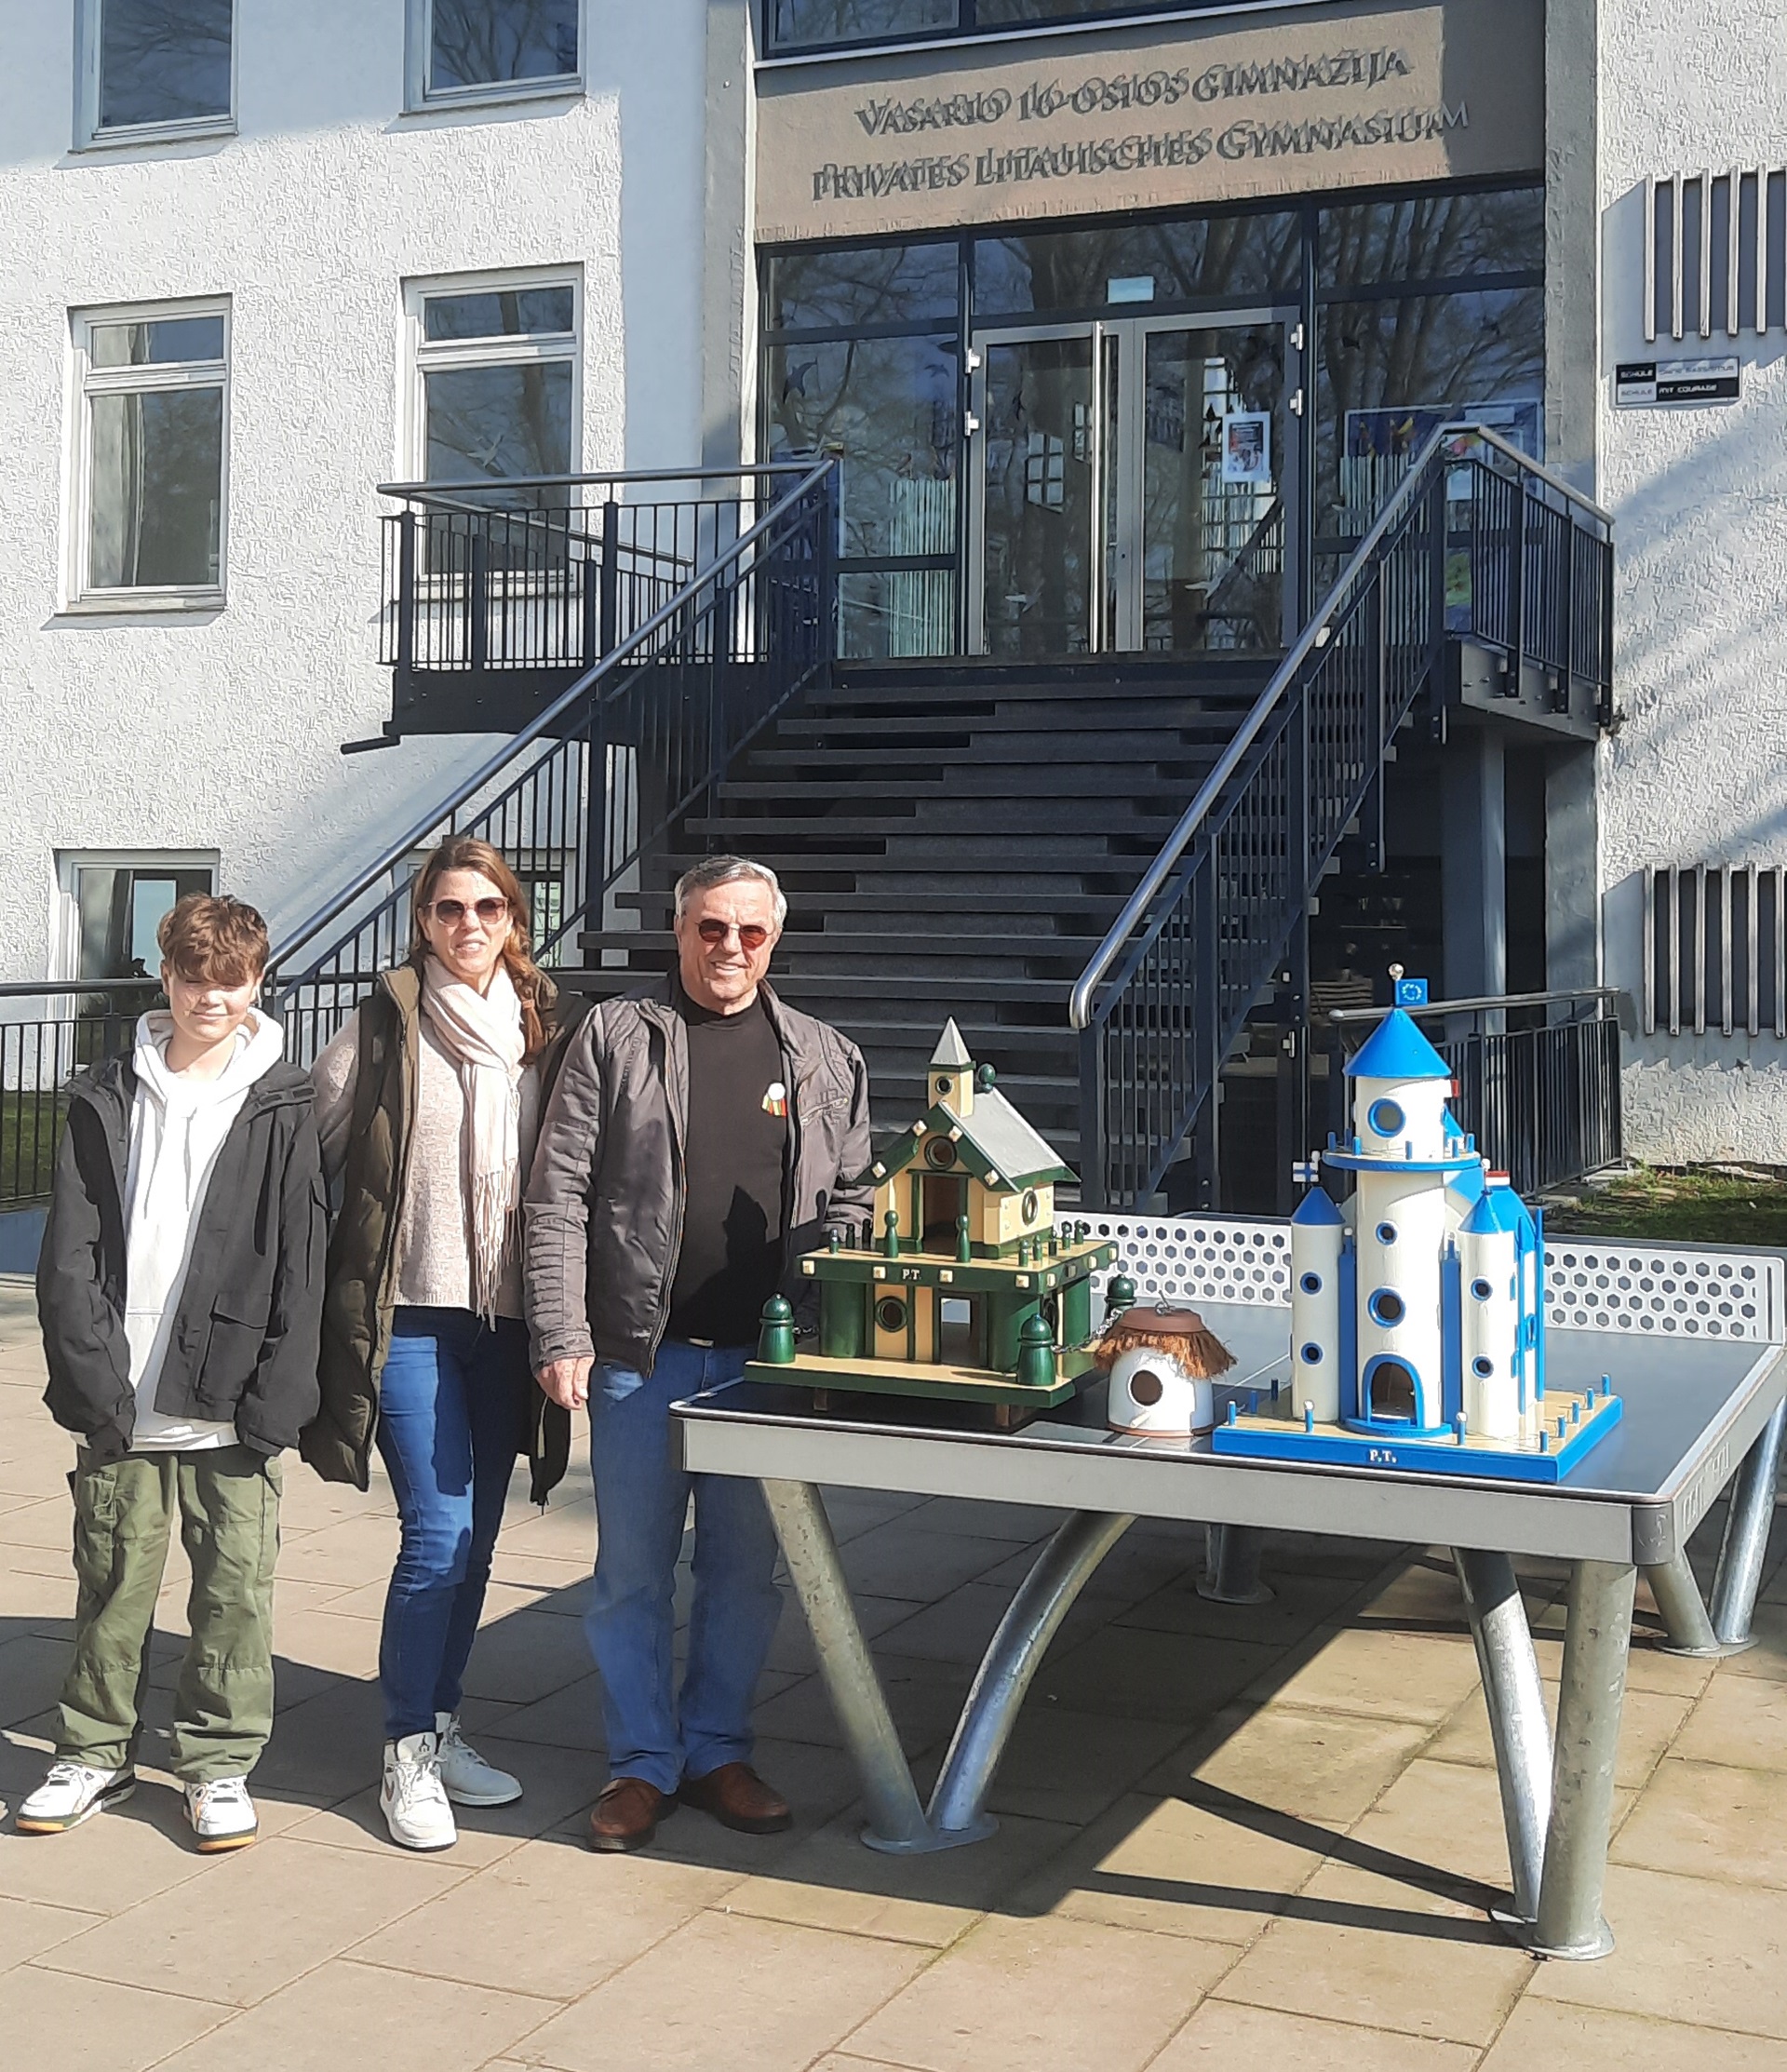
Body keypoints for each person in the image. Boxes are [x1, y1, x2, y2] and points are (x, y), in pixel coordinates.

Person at [526, 854, 872, 1852]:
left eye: (749, 932)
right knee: (631, 1573)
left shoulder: (823, 1056)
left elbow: (852, 1200)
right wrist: (561, 1330)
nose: (729, 948)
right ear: (678, 932)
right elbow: (556, 1194)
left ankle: (717, 1749)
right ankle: (640, 1765)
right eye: (709, 928)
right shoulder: (616, 1037)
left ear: (775, 938)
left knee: (742, 1573)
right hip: (643, 1356)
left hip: (764, 1369)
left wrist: (825, 1305)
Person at [21, 895, 324, 1851]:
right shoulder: (104, 1092)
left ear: (257, 980)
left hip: (233, 1394)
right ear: (166, 975)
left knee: (235, 1587)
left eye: (229, 980)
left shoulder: (285, 1100)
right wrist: (87, 1378)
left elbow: (304, 1258)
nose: (211, 996)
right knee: (111, 1578)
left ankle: (218, 1762)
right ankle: (94, 1751)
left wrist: (281, 1393)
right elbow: (67, 1253)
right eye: (194, 977)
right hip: (124, 1387)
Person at [305, 838, 563, 1851]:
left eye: (487, 909)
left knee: (483, 1541)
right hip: (409, 1313)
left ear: (513, 921)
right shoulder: (379, 1028)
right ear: (423, 920)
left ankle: (445, 1724)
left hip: (507, 1322)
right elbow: (310, 1158)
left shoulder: (544, 1028)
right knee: (437, 1536)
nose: (468, 927)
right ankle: (405, 1748)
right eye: (450, 909)